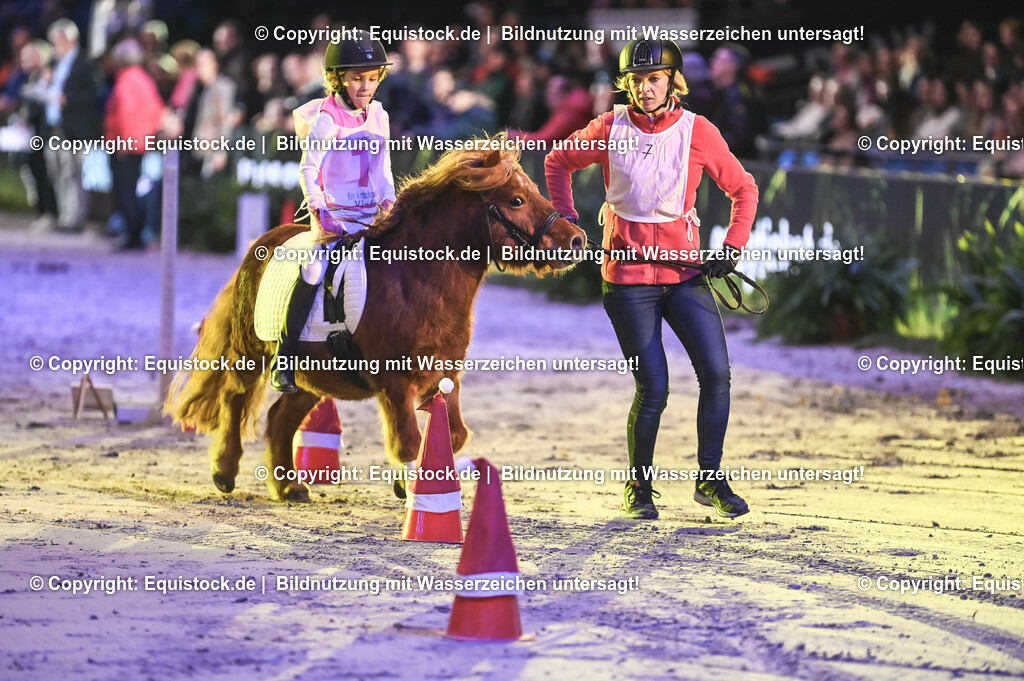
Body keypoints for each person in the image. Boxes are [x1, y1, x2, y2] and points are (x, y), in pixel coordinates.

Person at [544, 39, 759, 520]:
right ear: (627, 84)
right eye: (637, 80)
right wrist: (567, 218)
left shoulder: (698, 131)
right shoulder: (607, 127)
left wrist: (732, 247)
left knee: (718, 375)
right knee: (655, 387)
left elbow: (743, 188)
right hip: (628, 280)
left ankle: (711, 478)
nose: (645, 87)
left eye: (654, 79)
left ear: (672, 82)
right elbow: (557, 161)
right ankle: (638, 488)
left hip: (685, 274)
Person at [271, 32, 397, 392]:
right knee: (313, 268)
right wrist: (320, 209)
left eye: (372, 78)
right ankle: (285, 357)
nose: (366, 86)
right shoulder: (327, 119)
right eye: (358, 78)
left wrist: (389, 200)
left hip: (370, 212)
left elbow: (382, 169)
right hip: (333, 214)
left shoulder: (379, 115)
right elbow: (308, 169)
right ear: (339, 78)